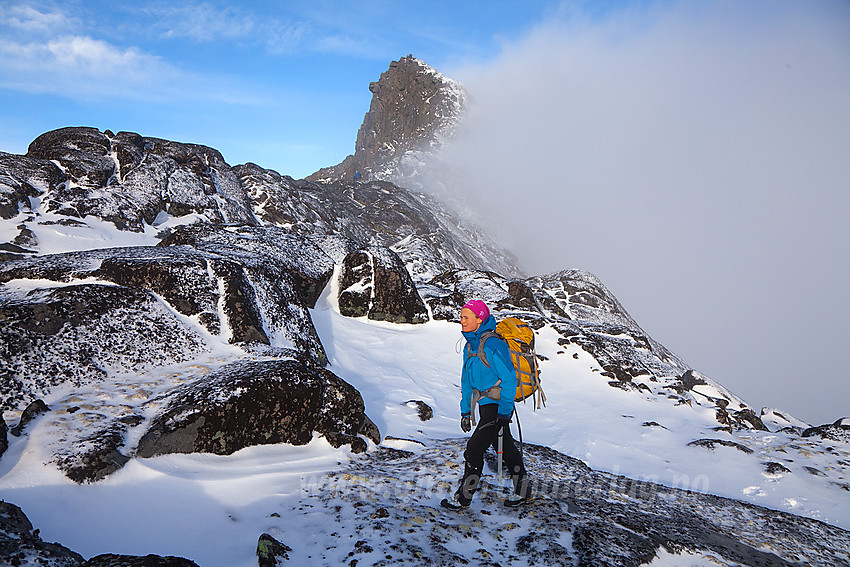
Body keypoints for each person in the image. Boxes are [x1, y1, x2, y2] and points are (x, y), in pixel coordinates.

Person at [441, 299, 531, 510]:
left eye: (466, 317)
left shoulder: (492, 344)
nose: (461, 321)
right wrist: (465, 411)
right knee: (504, 447)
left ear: (479, 319)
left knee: (473, 450)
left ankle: (463, 498)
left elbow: (509, 379)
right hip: (484, 404)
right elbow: (466, 380)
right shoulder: (470, 345)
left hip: (498, 405)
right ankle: (523, 490)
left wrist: (504, 413)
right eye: (461, 317)